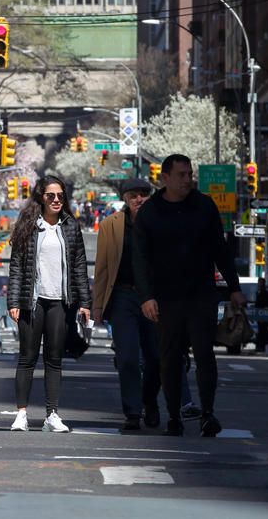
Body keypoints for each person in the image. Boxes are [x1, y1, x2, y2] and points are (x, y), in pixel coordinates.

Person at [132, 154, 244, 437]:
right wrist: (146, 297)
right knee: (169, 359)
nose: (187, 180)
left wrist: (234, 287)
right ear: (165, 178)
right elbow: (141, 260)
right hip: (166, 298)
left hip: (200, 295)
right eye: (181, 175)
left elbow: (221, 250)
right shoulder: (150, 212)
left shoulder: (204, 206)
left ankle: (207, 413)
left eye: (189, 174)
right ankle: (173, 417)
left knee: (205, 354)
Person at [7, 175, 92, 433]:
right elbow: (17, 266)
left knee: (54, 359)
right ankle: (21, 414)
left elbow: (79, 266)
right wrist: (13, 300)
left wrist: (84, 302)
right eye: (50, 196)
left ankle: (51, 414)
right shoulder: (29, 225)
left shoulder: (70, 226)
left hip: (60, 302)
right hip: (32, 301)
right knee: (27, 358)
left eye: (60, 196)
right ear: (41, 198)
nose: (56, 200)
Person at [92, 177, 161, 431]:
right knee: (128, 356)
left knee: (156, 358)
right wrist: (97, 305)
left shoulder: (158, 222)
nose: (139, 199)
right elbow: (102, 268)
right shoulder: (111, 225)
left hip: (154, 298)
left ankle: (150, 401)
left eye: (143, 194)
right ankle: (132, 411)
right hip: (122, 297)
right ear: (125, 199)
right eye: (133, 195)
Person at [255, 277, 268, 352]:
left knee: (265, 331)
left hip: (265, 315)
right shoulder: (258, 293)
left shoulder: (267, 294)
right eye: (259, 283)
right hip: (260, 315)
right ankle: (261, 346)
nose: (259, 285)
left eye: (261, 283)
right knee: (261, 331)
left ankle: (264, 346)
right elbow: (257, 305)